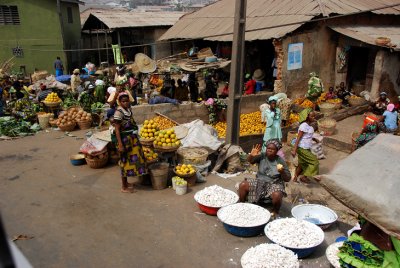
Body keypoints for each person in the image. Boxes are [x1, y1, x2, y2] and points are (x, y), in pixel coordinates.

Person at [237, 140, 291, 218]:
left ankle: (275, 212)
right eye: (268, 148)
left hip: (274, 183)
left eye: (272, 149)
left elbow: (288, 178)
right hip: (259, 181)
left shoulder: (280, 161)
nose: (269, 150)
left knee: (277, 195)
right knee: (243, 185)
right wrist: (251, 155)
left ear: (277, 151)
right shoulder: (262, 156)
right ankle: (241, 205)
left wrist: (282, 172)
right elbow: (250, 161)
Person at [112, 92, 146, 193]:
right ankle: (123, 186)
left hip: (131, 139)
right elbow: (117, 130)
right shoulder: (119, 113)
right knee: (124, 162)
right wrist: (121, 144)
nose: (126, 103)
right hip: (124, 140)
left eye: (127, 101)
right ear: (119, 102)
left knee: (132, 160)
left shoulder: (128, 110)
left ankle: (126, 183)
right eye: (123, 101)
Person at [291, 108, 319, 183]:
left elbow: (306, 136)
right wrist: (294, 149)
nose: (314, 118)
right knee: (315, 161)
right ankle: (304, 177)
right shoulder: (303, 126)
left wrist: (313, 139)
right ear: (307, 117)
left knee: (302, 163)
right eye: (312, 116)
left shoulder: (308, 125)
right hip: (302, 148)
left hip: (306, 147)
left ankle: (295, 178)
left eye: (314, 116)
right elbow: (299, 138)